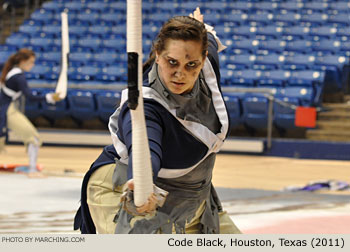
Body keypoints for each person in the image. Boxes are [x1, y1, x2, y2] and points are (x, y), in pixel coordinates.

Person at [74, 8, 241, 234]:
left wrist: (199, 26)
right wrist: (140, 184)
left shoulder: (206, 64)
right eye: (172, 62)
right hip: (124, 188)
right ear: (158, 55)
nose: (180, 74)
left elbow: (207, 39)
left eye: (191, 64)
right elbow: (145, 151)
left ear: (203, 60)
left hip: (192, 200)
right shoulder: (146, 106)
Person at [0, 48, 61, 177]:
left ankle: (32, 168)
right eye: (31, 62)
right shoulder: (18, 77)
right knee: (33, 137)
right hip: (7, 109)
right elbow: (30, 97)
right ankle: (32, 170)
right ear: (22, 61)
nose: (32, 65)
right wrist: (49, 97)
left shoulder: (11, 70)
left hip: (6, 107)